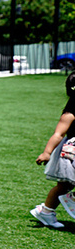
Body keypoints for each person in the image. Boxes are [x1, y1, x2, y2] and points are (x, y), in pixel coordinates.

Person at [29, 72, 75, 229]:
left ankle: (46, 211)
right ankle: (47, 212)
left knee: (64, 187)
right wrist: (47, 153)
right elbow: (58, 134)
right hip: (71, 153)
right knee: (63, 186)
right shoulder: (70, 112)